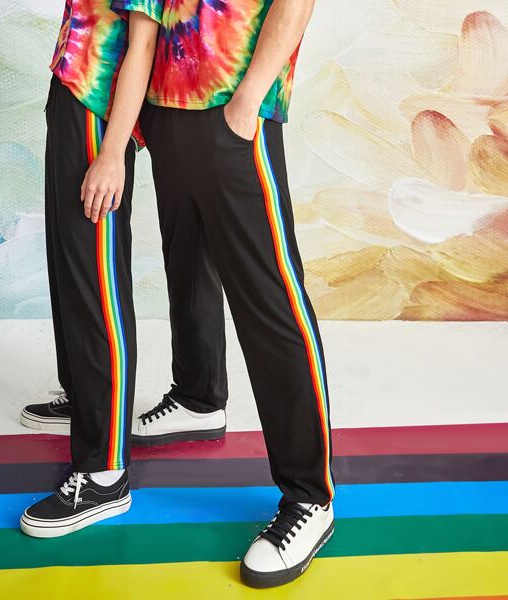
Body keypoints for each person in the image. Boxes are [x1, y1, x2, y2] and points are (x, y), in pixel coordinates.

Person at [138, 0, 335, 589]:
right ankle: (198, 398)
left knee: (270, 299)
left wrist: (249, 99)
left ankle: (309, 496)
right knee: (187, 263)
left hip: (233, 106)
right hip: (169, 104)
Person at [18, 0, 166, 538]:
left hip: (100, 111)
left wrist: (113, 152)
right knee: (70, 268)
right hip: (72, 90)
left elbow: (143, 41)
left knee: (97, 282)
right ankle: (85, 397)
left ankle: (105, 473)